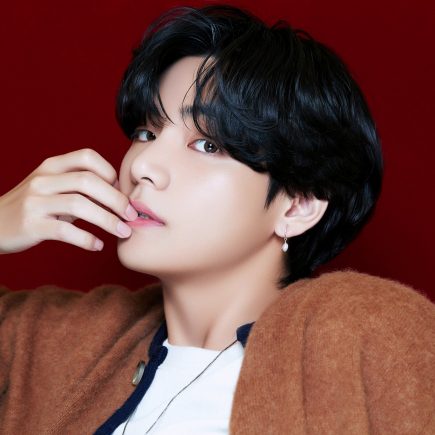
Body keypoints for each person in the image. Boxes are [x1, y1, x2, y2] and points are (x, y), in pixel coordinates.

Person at [1, 4, 434, 435]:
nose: (143, 165)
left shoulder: (367, 333)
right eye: (147, 133)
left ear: (297, 205)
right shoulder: (59, 341)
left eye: (207, 145)